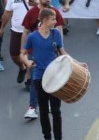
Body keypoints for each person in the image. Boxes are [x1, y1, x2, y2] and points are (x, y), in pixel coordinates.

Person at [22, 9, 84, 140]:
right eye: (53, 19)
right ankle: (47, 137)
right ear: (45, 20)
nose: (56, 22)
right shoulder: (33, 37)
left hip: (55, 77)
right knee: (44, 111)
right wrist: (27, 63)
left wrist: (77, 63)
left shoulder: (56, 34)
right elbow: (23, 54)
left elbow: (63, 52)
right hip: (39, 78)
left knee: (56, 111)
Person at [0, 0, 39, 86]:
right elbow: (7, 12)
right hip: (16, 30)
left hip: (32, 31)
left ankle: (29, 78)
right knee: (14, 54)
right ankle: (22, 68)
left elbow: (46, 9)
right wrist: (2, 28)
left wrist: (37, 4)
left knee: (27, 54)